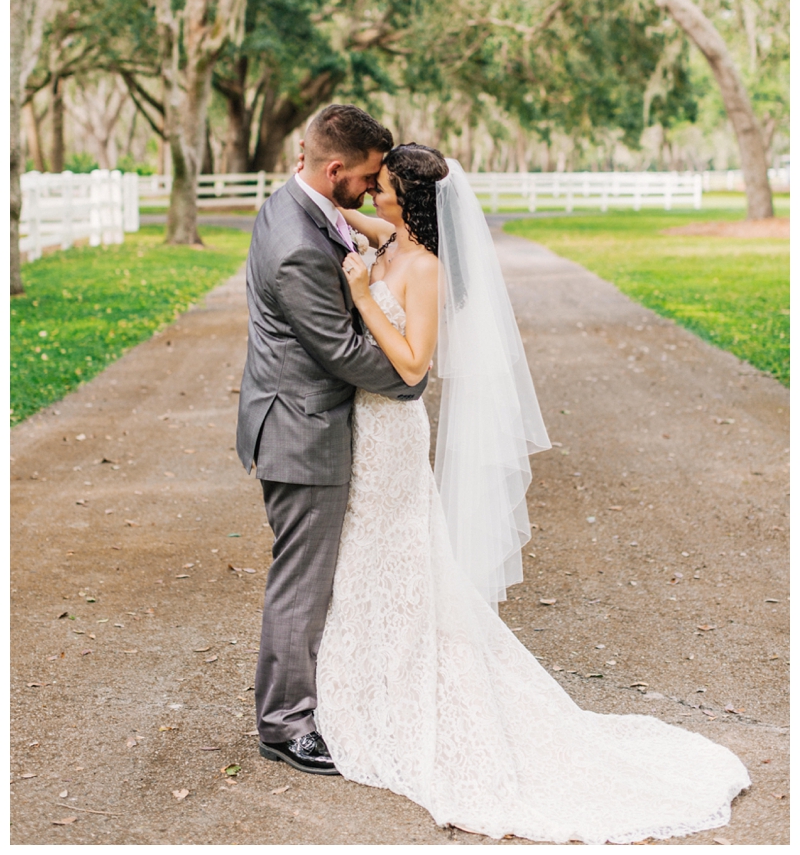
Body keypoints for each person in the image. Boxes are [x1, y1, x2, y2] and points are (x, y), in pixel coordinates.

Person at [310, 142, 750, 844]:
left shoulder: (420, 267)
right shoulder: (393, 238)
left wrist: (363, 296)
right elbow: (343, 215)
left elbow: (415, 363)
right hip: (363, 428)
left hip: (392, 431)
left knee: (398, 555)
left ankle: (400, 699)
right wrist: (315, 188)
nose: (374, 199)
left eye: (384, 190)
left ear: (412, 203)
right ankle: (365, 688)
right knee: (368, 561)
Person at [236, 105, 428, 776]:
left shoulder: (296, 204)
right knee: (302, 583)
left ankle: (308, 704)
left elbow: (347, 223)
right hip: (302, 430)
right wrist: (410, 377)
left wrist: (375, 231)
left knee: (314, 577)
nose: (373, 192)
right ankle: (284, 726)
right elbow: (342, 350)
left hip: (294, 416)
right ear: (334, 169)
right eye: (368, 179)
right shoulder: (296, 247)